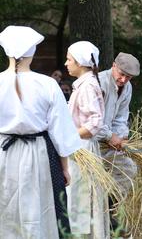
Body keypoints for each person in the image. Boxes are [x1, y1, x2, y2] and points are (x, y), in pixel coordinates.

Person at [0, 25, 81, 239]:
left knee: (5, 210)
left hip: (3, 156)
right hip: (38, 157)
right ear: (32, 52)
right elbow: (60, 131)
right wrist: (64, 168)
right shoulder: (47, 85)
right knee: (39, 211)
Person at [65, 41, 109, 238]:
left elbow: (94, 122)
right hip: (78, 148)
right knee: (78, 197)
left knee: (81, 197)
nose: (66, 63)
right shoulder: (84, 84)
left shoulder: (87, 86)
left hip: (82, 149)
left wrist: (69, 135)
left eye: (69, 59)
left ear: (81, 63)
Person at [97, 52, 140, 233]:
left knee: (128, 169)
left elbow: (122, 117)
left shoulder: (127, 87)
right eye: (121, 74)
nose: (123, 80)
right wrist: (109, 136)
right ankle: (101, 219)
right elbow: (91, 120)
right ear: (114, 65)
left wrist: (122, 136)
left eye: (128, 77)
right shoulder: (99, 83)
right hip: (89, 141)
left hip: (109, 143)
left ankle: (106, 211)